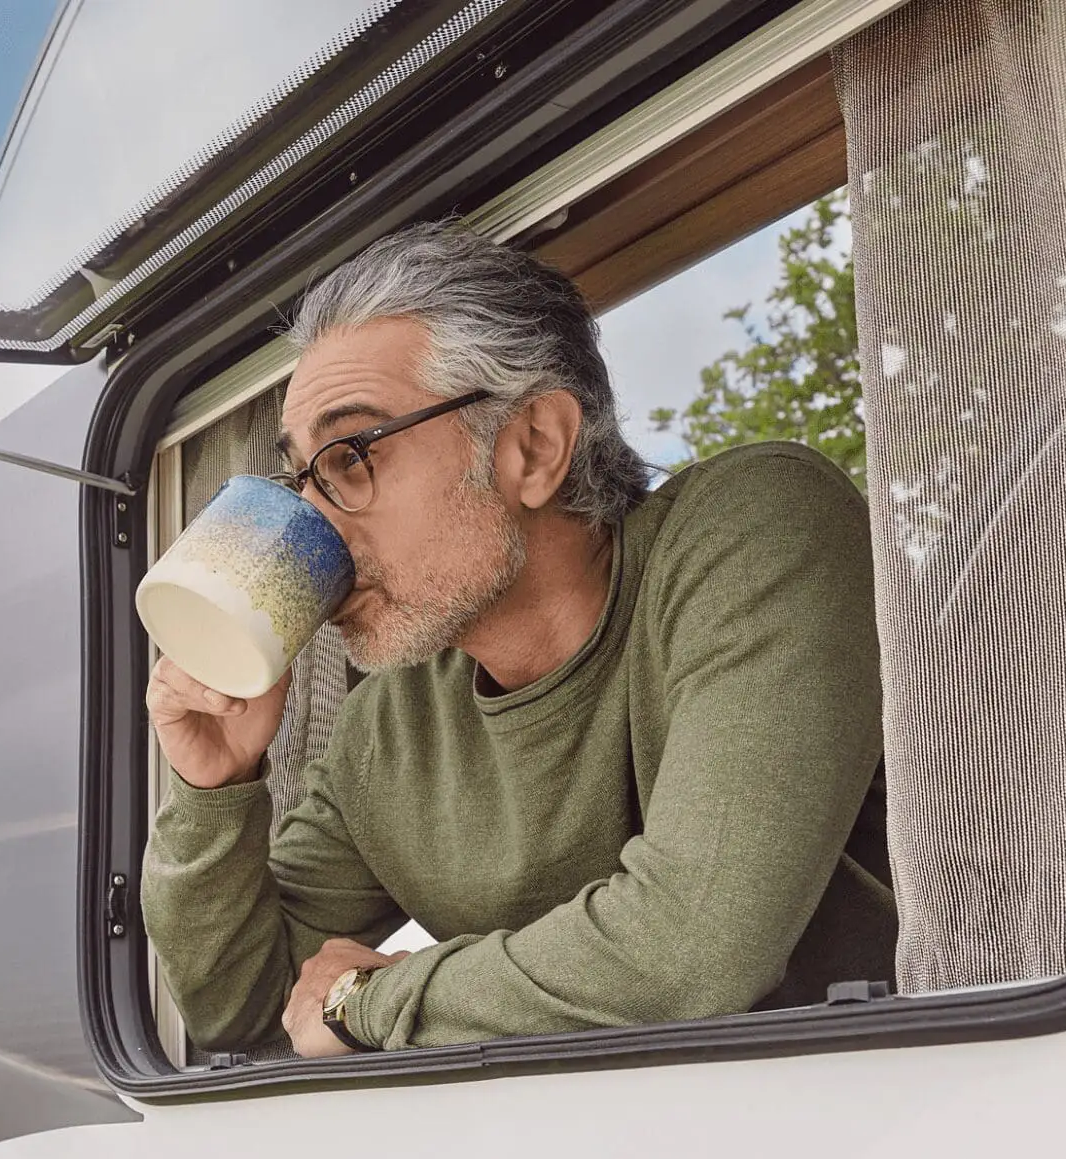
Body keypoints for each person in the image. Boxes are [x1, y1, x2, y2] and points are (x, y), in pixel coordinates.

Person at [141, 221, 894, 1059]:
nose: (309, 522)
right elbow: (245, 1018)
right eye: (299, 478)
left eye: (350, 455)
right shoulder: (386, 729)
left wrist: (370, 999)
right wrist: (215, 787)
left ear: (532, 448)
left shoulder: (753, 527)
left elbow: (690, 952)